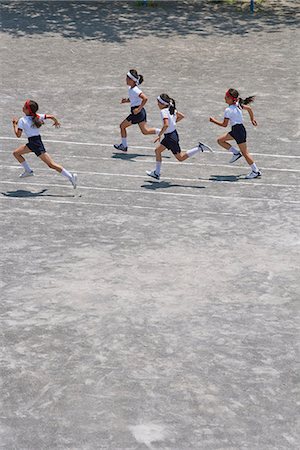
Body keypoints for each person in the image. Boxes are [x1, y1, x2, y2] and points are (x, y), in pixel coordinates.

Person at [146, 93, 213, 180]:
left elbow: (166, 125)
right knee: (157, 151)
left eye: (158, 102)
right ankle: (157, 173)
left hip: (170, 138)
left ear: (163, 104)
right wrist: (172, 124)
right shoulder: (171, 109)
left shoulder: (163, 112)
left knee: (180, 157)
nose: (157, 104)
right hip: (171, 135)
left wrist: (159, 135)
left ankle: (199, 148)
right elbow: (181, 116)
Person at [12, 100, 77, 188]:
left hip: (35, 144)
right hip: (34, 142)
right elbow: (51, 116)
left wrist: (14, 125)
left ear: (28, 110)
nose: (22, 108)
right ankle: (28, 171)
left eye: (24, 107)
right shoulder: (38, 116)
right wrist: (56, 121)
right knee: (16, 153)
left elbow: (18, 135)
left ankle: (70, 177)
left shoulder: (22, 120)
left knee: (51, 164)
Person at [209, 88, 261, 179]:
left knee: (245, 153)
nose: (224, 98)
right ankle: (236, 153)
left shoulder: (228, 110)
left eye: (226, 97)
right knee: (220, 140)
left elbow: (224, 125)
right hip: (238, 130)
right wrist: (252, 119)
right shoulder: (238, 105)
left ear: (230, 99)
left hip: (238, 131)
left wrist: (213, 121)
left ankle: (255, 171)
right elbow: (249, 108)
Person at [114, 69, 160, 152]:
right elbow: (133, 99)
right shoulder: (131, 89)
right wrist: (126, 101)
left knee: (122, 126)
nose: (126, 79)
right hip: (141, 112)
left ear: (132, 80)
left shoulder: (135, 90)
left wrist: (138, 109)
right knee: (145, 131)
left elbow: (145, 98)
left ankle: (124, 146)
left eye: (128, 78)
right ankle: (162, 132)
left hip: (137, 113)